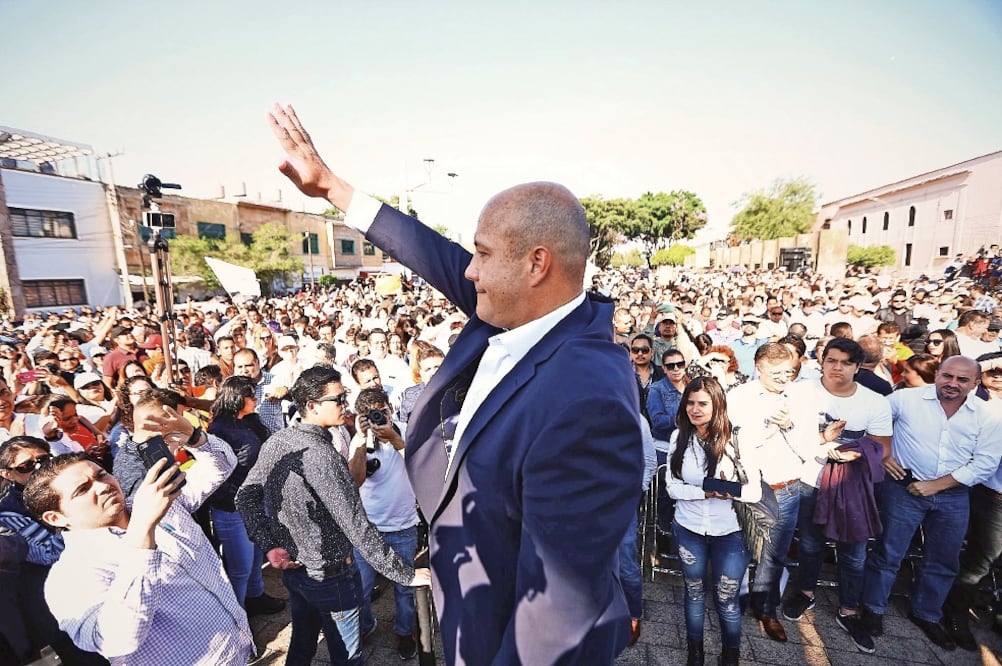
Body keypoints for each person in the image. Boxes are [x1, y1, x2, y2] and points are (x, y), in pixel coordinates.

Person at [269, 103, 644, 665]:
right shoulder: (522, 309)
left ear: (536, 264)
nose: (468, 271)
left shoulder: (587, 400)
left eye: (483, 254)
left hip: (502, 632)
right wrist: (332, 188)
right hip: (470, 600)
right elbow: (431, 253)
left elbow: (554, 615)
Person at [22, 404, 254, 665]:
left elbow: (222, 466)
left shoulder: (159, 502)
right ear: (56, 518)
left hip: (238, 650)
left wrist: (194, 436)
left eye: (101, 475)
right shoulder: (69, 577)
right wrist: (143, 533)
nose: (102, 486)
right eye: (82, 490)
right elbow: (117, 639)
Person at [236, 366, 429, 666]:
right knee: (347, 658)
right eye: (338, 399)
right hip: (331, 577)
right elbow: (356, 524)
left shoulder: (281, 440)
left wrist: (271, 545)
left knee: (302, 646)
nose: (345, 404)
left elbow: (245, 497)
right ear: (312, 405)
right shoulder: (320, 455)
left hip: (299, 573)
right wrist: (404, 573)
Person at [861, 355, 1002, 651]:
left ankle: (926, 613)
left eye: (962, 379)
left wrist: (935, 486)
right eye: (947, 376)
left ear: (975, 383)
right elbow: (870, 422)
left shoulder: (988, 415)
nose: (953, 383)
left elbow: (985, 463)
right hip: (902, 488)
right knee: (888, 552)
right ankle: (873, 609)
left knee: (943, 560)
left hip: (954, 495)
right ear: (937, 374)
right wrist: (883, 454)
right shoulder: (905, 399)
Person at [782, 337, 893, 654]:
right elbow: (787, 433)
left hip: (853, 485)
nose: (837, 367)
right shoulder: (800, 392)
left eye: (846, 362)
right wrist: (820, 442)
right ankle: (805, 592)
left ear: (858, 367)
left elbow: (883, 447)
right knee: (810, 543)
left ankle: (848, 610)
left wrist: (855, 454)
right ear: (822, 361)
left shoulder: (874, 402)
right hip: (810, 479)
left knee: (854, 551)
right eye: (832, 360)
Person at [666, 376, 760, 666]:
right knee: (694, 593)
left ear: (718, 405)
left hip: (730, 531)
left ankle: (730, 655)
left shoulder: (738, 438)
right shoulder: (679, 437)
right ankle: (695, 653)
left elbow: (755, 492)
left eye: (703, 404)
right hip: (688, 528)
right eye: (690, 403)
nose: (695, 409)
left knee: (727, 598)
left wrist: (730, 491)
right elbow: (672, 487)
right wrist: (704, 492)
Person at [726, 343, 814, 643]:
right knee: (739, 548)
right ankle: (734, 601)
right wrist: (769, 430)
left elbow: (809, 448)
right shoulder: (738, 397)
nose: (784, 378)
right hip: (748, 486)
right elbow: (735, 443)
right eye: (776, 373)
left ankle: (766, 608)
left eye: (788, 372)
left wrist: (789, 426)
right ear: (758, 367)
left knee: (775, 555)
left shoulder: (801, 398)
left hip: (785, 486)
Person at [0, 437, 108, 665]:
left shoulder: (70, 485)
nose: (39, 467)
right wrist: (75, 517)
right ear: (8, 474)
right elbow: (48, 553)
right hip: (63, 609)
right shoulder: (9, 512)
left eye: (43, 459)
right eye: (26, 466)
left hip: (104, 585)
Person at [205, 376, 286, 615]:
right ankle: (237, 616)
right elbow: (218, 472)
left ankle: (255, 596)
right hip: (231, 507)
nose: (255, 399)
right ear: (236, 398)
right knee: (240, 568)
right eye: (250, 395)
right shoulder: (219, 429)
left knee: (256, 556)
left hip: (256, 502)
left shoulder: (250, 420)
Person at [349, 388, 420, 660]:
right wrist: (361, 440)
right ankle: (367, 625)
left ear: (390, 409)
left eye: (383, 412)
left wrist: (393, 438)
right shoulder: (359, 439)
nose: (379, 418)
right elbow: (355, 480)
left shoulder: (405, 430)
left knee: (404, 588)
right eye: (372, 415)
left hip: (403, 525)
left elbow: (419, 466)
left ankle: (405, 631)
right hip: (368, 529)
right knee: (362, 588)